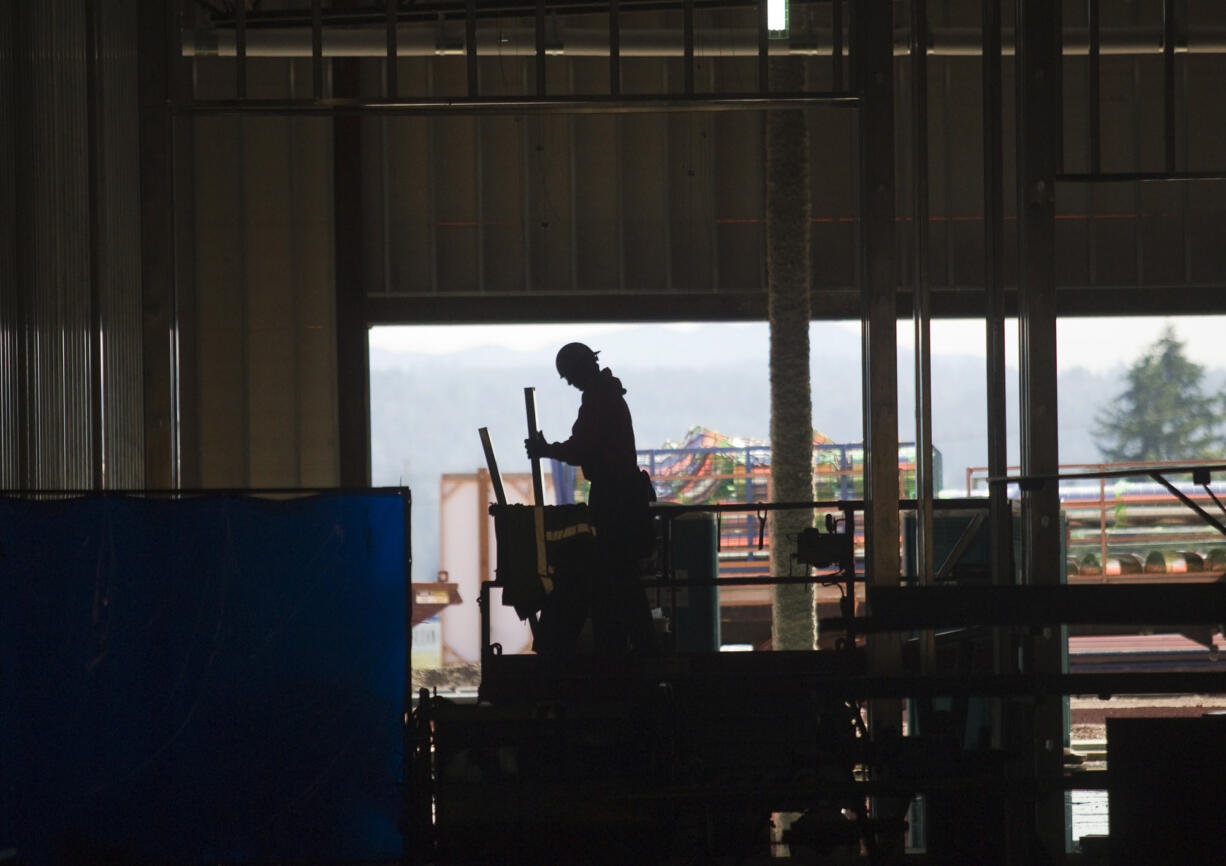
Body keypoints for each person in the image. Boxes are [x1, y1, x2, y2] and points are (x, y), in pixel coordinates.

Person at [526, 342, 658, 655]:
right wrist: (552, 449)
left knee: (617, 576)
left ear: (580, 370)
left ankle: (630, 651)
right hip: (621, 496)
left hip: (615, 500)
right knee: (620, 578)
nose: (570, 383)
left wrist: (548, 450)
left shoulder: (600, 399)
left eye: (570, 376)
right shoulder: (605, 395)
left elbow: (582, 448)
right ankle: (637, 650)